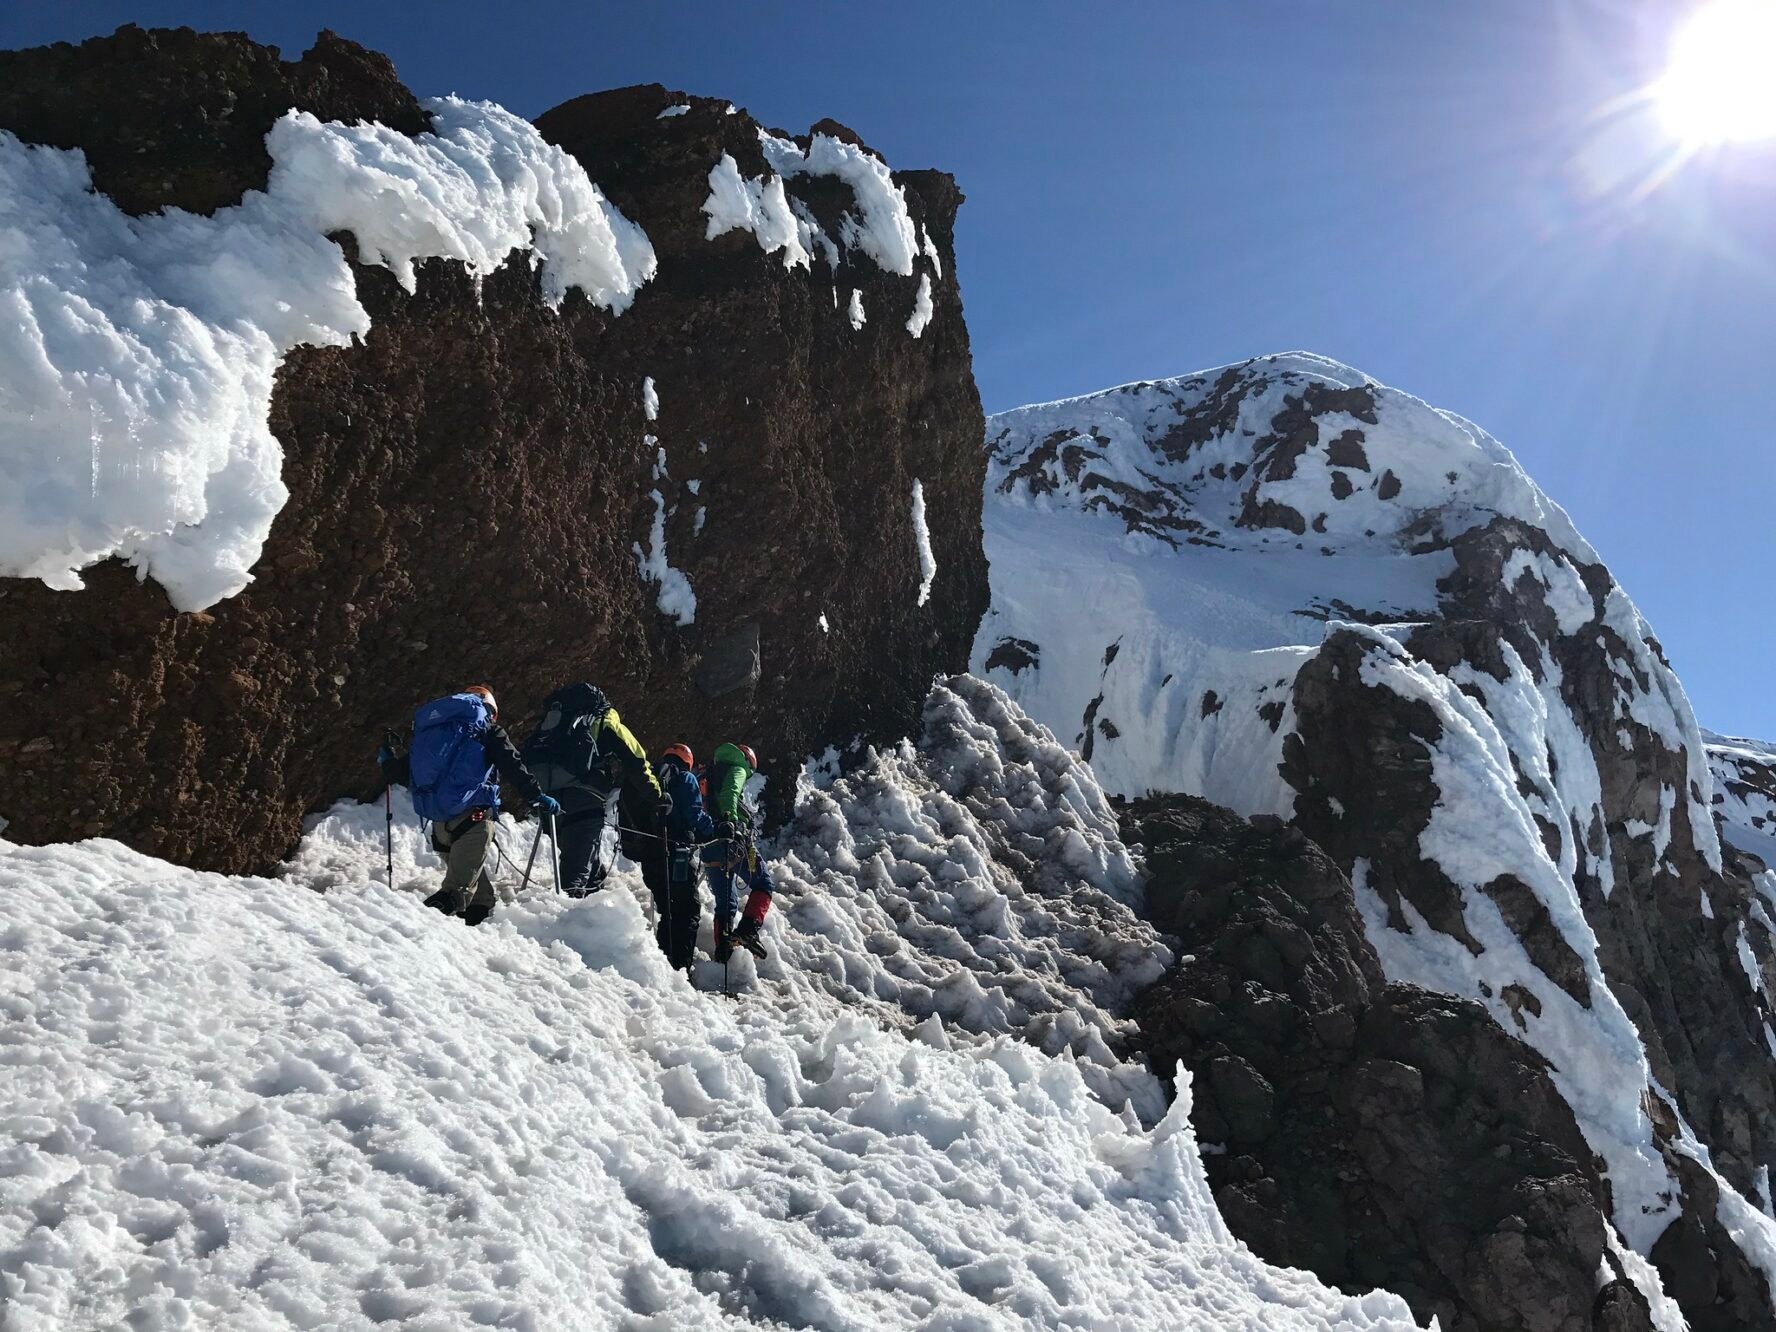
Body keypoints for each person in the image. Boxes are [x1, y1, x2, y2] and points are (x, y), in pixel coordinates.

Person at [379, 685, 559, 926]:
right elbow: (511, 763)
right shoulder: (487, 729)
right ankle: (407, 931)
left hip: (440, 825)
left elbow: (402, 773)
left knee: (476, 889)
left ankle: (478, 922)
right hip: (474, 820)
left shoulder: (435, 734)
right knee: (454, 893)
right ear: (491, 712)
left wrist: (388, 760)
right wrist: (536, 795)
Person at [518, 682, 665, 897]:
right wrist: (656, 795)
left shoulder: (555, 721)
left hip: (547, 797)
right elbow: (636, 760)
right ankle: (567, 923)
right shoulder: (605, 720)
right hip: (584, 798)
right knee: (575, 874)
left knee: (583, 859)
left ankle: (593, 905)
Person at [646, 743, 714, 970]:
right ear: (688, 762)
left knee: (669, 911)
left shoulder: (650, 776)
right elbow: (694, 814)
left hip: (650, 853)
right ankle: (680, 970)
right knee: (687, 912)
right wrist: (714, 830)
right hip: (677, 855)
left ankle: (664, 964)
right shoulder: (685, 778)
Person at [704, 741, 774, 962]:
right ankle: (748, 929)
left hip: (710, 846)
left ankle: (723, 953)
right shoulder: (737, 767)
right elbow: (731, 792)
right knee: (764, 883)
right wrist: (730, 820)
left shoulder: (711, 773)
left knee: (726, 901)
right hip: (736, 842)